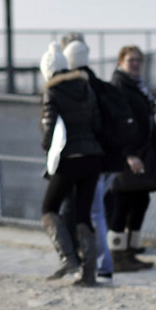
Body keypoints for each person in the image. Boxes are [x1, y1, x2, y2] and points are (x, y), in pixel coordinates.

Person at [39, 41, 104, 287]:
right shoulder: (85, 86)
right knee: (83, 214)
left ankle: (69, 258)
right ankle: (89, 273)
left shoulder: (52, 92)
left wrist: (48, 150)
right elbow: (97, 123)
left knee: (49, 208)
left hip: (68, 159)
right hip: (93, 157)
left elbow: (49, 127)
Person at [61, 35, 120, 281]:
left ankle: (98, 264)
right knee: (94, 212)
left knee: (88, 213)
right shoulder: (102, 86)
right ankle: (96, 263)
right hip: (107, 159)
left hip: (85, 159)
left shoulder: (73, 88)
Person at [107, 45, 156, 271]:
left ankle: (131, 252)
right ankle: (117, 256)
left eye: (139, 60)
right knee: (122, 205)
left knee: (140, 201)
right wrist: (129, 154)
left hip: (144, 155)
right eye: (131, 60)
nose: (136, 64)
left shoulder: (138, 86)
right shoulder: (119, 86)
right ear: (121, 61)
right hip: (128, 157)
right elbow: (119, 124)